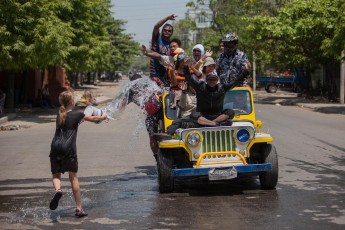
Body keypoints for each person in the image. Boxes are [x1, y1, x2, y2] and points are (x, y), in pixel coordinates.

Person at [49, 90, 108, 217]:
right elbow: (94, 118)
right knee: (73, 177)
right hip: (68, 149)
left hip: (55, 147)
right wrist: (104, 117)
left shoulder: (60, 114)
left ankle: (58, 190)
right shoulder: (77, 114)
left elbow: (76, 122)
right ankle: (79, 208)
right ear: (71, 101)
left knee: (56, 175)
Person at [184, 57, 247, 127]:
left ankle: (210, 123)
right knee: (194, 114)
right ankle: (214, 124)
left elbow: (236, 82)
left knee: (230, 112)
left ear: (217, 80)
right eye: (210, 79)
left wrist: (245, 71)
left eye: (214, 79)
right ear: (207, 80)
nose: (212, 81)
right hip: (203, 116)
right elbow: (189, 79)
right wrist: (186, 67)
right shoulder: (201, 87)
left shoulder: (222, 88)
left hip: (217, 116)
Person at [149, 14, 177, 87]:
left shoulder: (172, 45)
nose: (167, 32)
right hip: (154, 75)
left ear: (171, 33)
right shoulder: (157, 39)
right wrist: (167, 18)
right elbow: (156, 27)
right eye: (165, 30)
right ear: (162, 31)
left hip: (167, 77)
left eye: (169, 31)